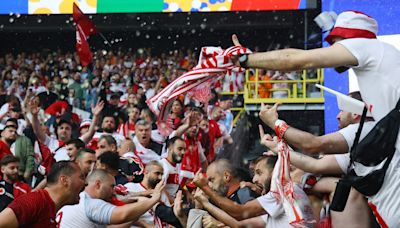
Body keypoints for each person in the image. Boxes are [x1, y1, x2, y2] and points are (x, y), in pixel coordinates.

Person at [231, 11, 400, 226]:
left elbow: (296, 60)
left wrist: (246, 60)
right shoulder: (383, 68)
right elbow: (314, 159)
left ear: (349, 37)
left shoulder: (364, 46)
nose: (333, 47)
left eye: (335, 41)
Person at [194, 156, 314, 227]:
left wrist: (205, 188)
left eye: (259, 173)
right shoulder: (286, 196)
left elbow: (239, 213)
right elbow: (238, 225)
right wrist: (206, 204)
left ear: (274, 173)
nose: (254, 179)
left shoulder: (282, 192)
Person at [57, 169, 165, 228]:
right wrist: (153, 199)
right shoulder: (90, 203)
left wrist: (134, 217)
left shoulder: (76, 199)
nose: (114, 191)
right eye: (111, 186)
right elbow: (123, 215)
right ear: (98, 184)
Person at [0, 161, 85, 227]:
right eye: (81, 177)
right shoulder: (34, 201)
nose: (86, 183)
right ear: (64, 180)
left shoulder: (49, 209)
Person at [124, 161, 171, 227]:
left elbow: (168, 216)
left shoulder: (161, 193)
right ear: (146, 172)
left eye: (161, 174)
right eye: (157, 173)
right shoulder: (131, 187)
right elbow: (119, 206)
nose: (160, 177)